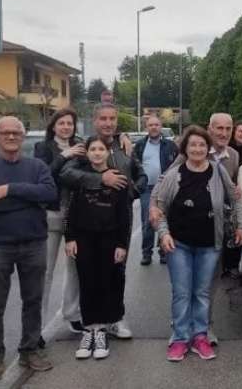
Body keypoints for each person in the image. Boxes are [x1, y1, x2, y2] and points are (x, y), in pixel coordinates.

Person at [0, 116, 57, 382]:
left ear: (22, 137)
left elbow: (49, 194)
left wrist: (8, 189)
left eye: (16, 133)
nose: (11, 137)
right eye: (5, 133)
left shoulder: (37, 166)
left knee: (32, 301)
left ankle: (30, 350)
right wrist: (29, 197)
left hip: (34, 243)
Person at [153, 126, 242, 362]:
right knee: (182, 293)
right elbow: (158, 207)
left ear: (208, 149)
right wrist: (164, 234)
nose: (197, 149)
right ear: (185, 148)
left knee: (202, 293)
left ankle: (200, 337)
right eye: (193, 145)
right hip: (179, 244)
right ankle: (180, 339)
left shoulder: (217, 171)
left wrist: (241, 226)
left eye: (202, 145)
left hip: (209, 245)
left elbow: (235, 198)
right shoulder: (175, 175)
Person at [60, 103, 148, 340]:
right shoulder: (84, 148)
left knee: (116, 271)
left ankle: (116, 318)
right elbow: (67, 175)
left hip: (120, 220)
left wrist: (130, 193)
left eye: (112, 119)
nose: (108, 123)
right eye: (103, 119)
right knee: (88, 274)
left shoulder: (125, 148)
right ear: (95, 121)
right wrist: (101, 179)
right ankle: (91, 321)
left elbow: (142, 176)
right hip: (87, 223)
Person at [64, 136, 132, 360]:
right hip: (83, 238)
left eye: (101, 149)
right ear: (88, 153)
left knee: (106, 282)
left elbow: (124, 214)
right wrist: (70, 238)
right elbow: (71, 212)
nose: (96, 153)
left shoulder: (118, 178)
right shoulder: (80, 178)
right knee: (86, 282)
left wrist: (122, 243)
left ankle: (101, 330)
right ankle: (88, 329)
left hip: (109, 239)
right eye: (92, 149)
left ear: (107, 152)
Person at [33, 109, 87, 333]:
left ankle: (72, 314)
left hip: (77, 215)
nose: (66, 127)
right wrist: (64, 156)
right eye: (62, 123)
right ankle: (36, 326)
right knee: (44, 270)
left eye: (70, 123)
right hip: (53, 213)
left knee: (76, 268)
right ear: (53, 126)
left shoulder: (81, 146)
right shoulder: (43, 148)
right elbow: (43, 175)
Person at [133, 115, 179, 266]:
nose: (154, 127)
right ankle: (146, 253)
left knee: (164, 219)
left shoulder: (170, 145)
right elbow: (134, 166)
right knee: (148, 221)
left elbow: (177, 165)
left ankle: (163, 251)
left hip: (165, 189)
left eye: (157, 125)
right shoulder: (140, 145)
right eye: (151, 125)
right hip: (147, 189)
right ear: (147, 127)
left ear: (161, 127)